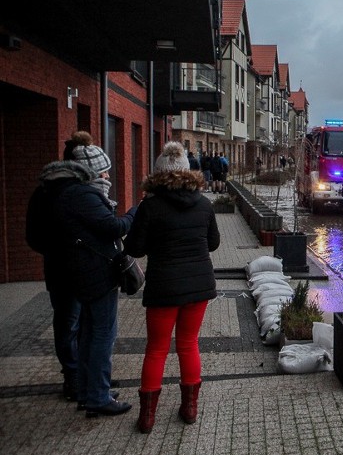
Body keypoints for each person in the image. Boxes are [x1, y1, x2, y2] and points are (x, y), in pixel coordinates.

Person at [123, 142, 220, 433]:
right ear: (186, 171)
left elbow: (135, 249)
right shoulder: (204, 204)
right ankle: (190, 409)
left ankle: (147, 417)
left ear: (159, 173)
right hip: (199, 286)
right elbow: (213, 243)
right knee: (188, 344)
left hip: (163, 287)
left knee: (156, 349)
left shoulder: (149, 207)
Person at [49, 143, 135, 417]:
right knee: (102, 335)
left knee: (88, 334)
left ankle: (89, 392)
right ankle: (98, 397)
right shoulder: (83, 195)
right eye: (105, 172)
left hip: (85, 273)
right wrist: (134, 212)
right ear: (91, 172)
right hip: (96, 274)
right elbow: (113, 227)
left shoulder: (69, 193)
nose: (108, 177)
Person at [26, 130, 94, 401]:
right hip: (67, 271)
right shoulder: (48, 193)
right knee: (69, 322)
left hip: (78, 270)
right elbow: (35, 236)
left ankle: (86, 373)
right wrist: (63, 250)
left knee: (82, 322)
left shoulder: (76, 191)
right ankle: (74, 377)